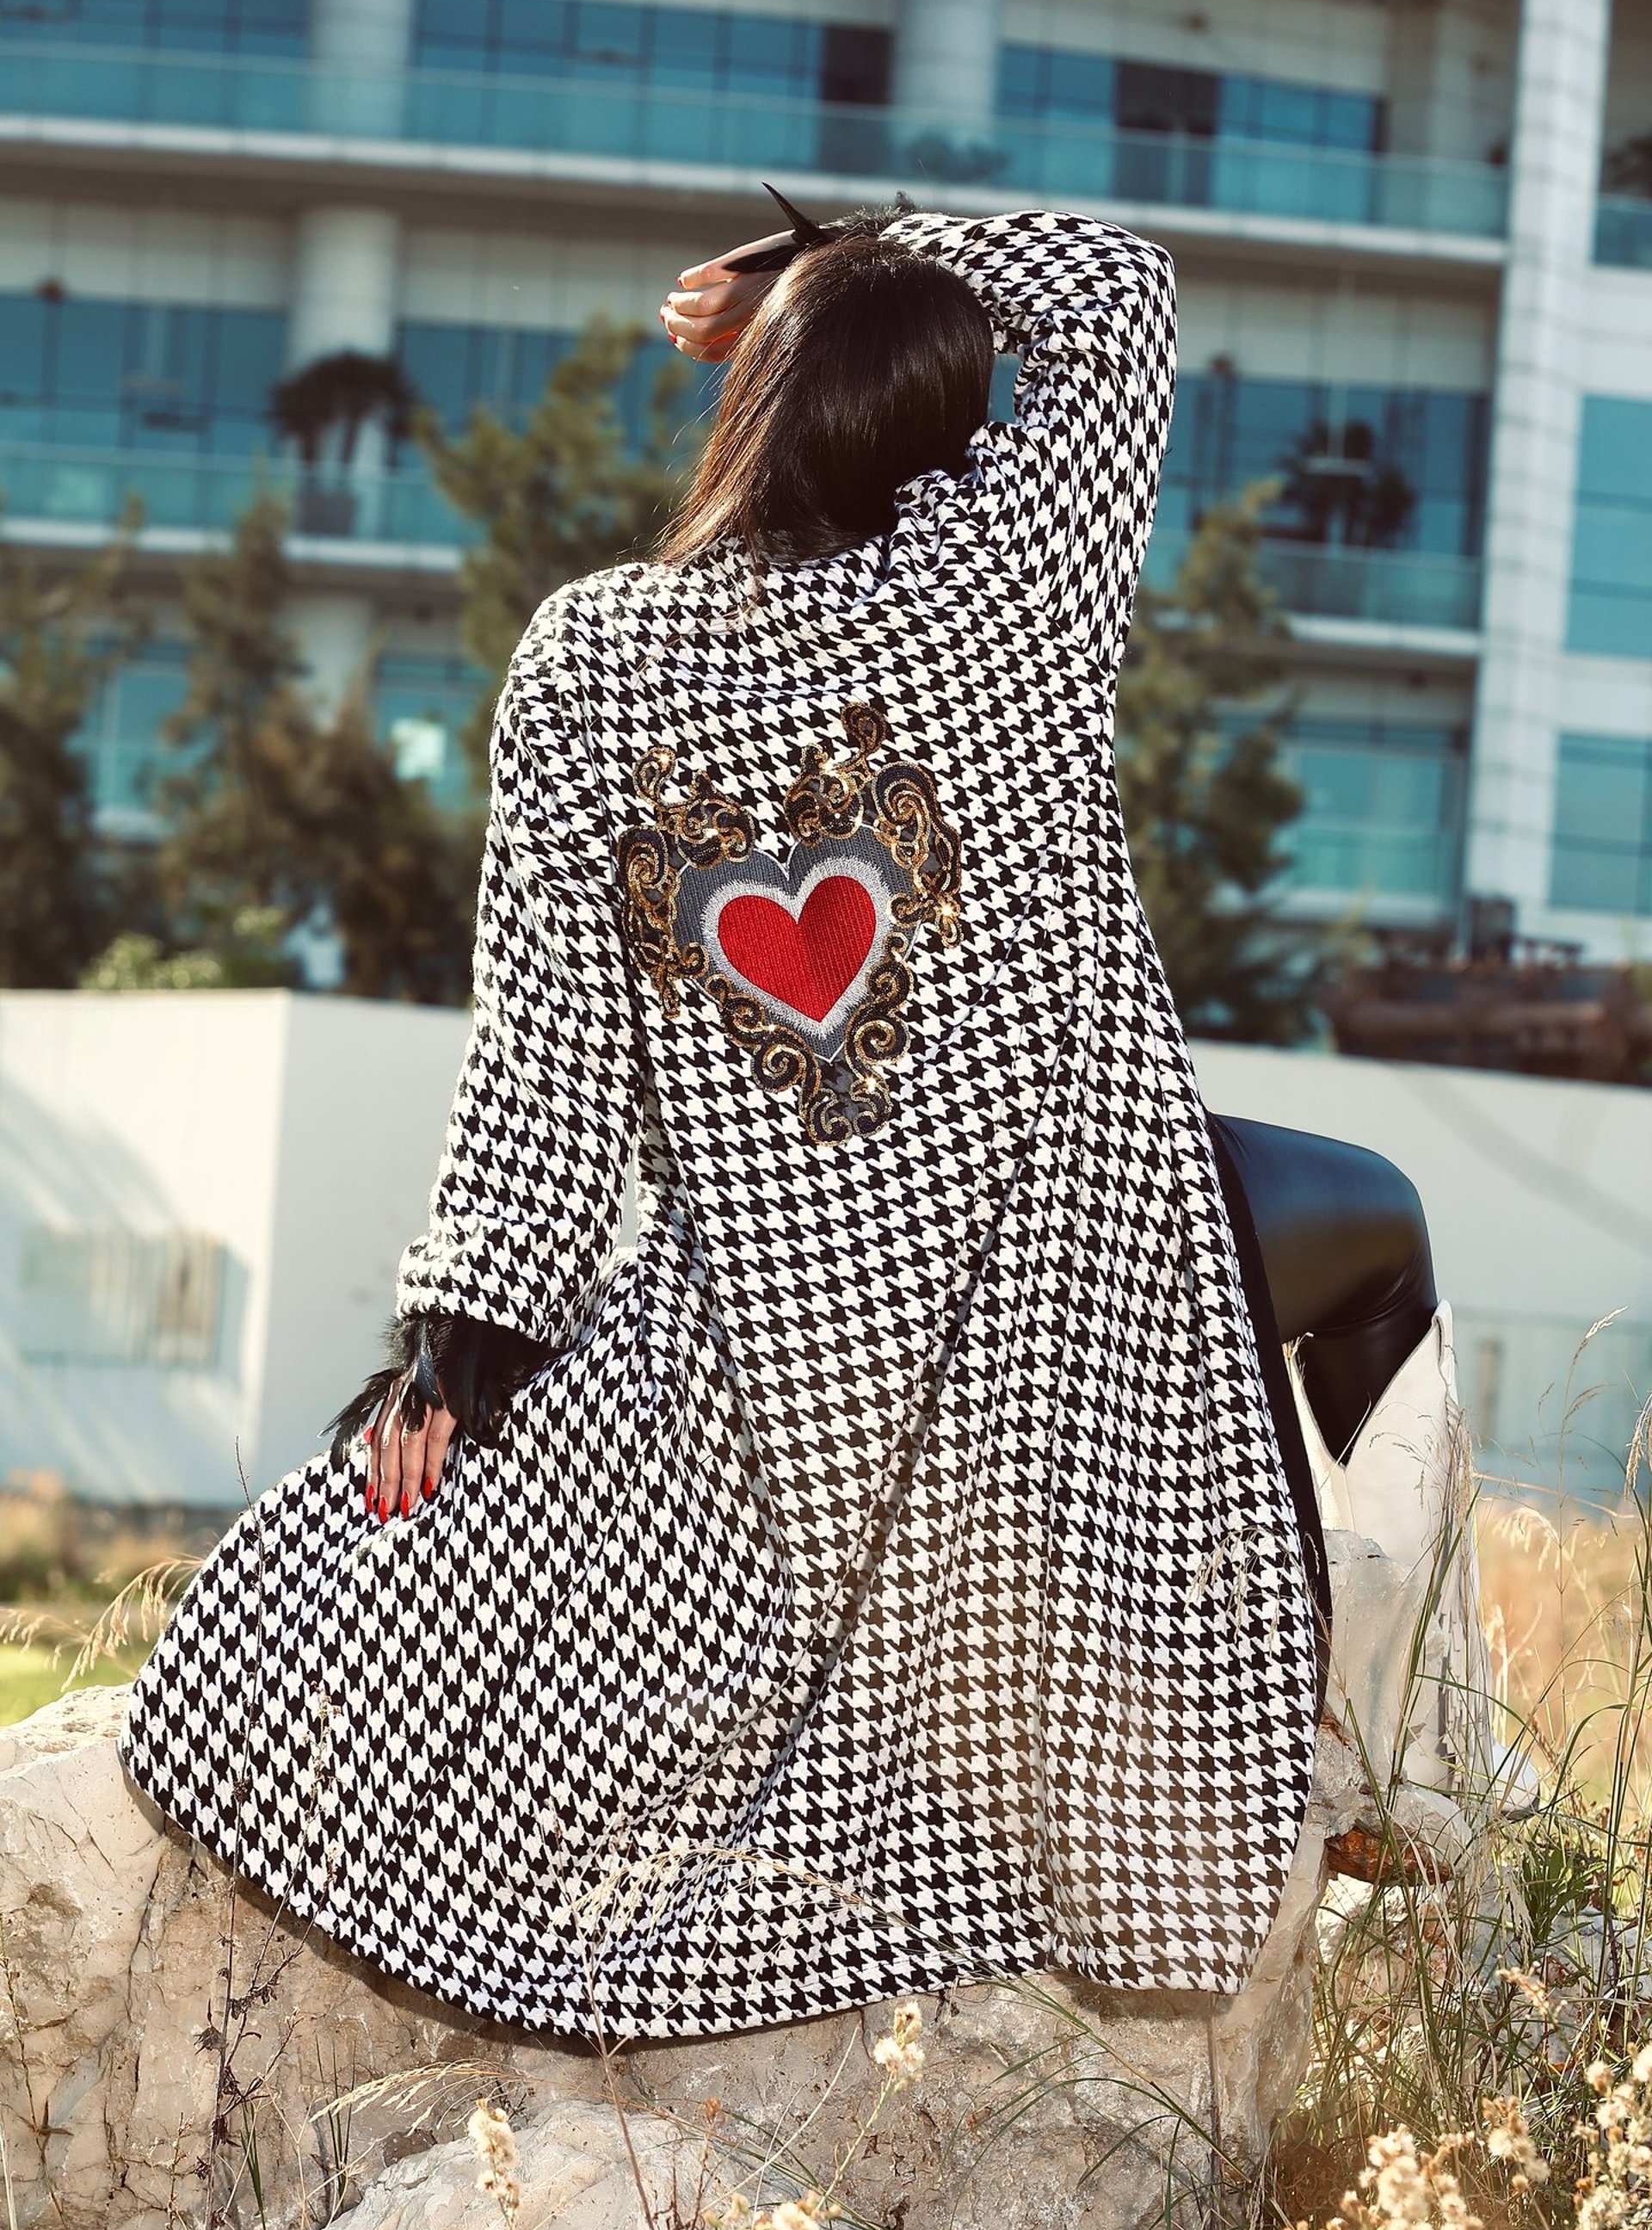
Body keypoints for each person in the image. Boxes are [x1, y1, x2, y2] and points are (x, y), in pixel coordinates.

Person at [117, 192, 1458, 2044]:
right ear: (949, 431)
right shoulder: (1010, 571)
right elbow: (1120, 284)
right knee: (1379, 1224)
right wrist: (830, 252)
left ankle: (1351, 1759)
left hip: (773, 1338)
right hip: (1069, 1293)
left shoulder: (592, 656)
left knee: (335, 1625)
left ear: (753, 403)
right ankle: (1395, 1764)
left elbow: (545, 1053)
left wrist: (459, 1344)